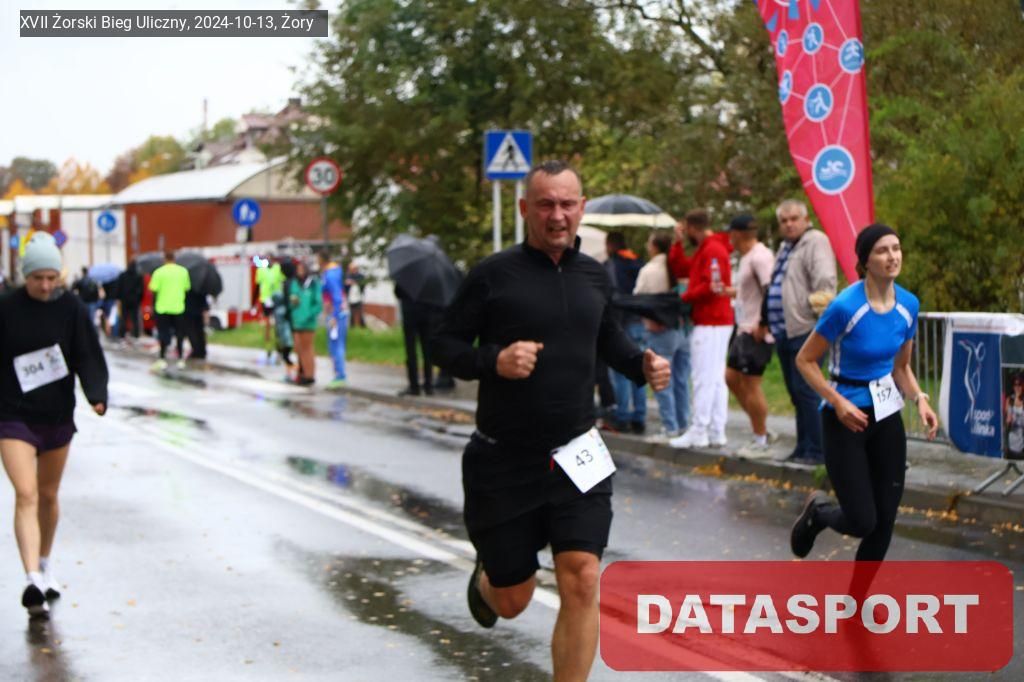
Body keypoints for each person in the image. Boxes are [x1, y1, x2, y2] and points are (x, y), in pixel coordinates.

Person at [432, 161, 670, 682]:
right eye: (545, 204)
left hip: (578, 452)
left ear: (582, 208)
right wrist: (493, 360)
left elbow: (606, 337)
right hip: (503, 460)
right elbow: (443, 344)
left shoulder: (594, 275)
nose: (557, 215)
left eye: (566, 204)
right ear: (525, 209)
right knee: (512, 600)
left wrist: (642, 364)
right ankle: (488, 582)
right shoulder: (493, 275)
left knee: (583, 578)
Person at [790, 224, 939, 564]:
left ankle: (857, 597)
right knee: (862, 521)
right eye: (882, 250)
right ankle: (819, 513)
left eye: (896, 248)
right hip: (845, 417)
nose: (893, 256)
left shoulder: (908, 305)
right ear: (865, 261)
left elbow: (901, 367)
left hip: (885, 414)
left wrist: (920, 399)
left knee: (884, 521)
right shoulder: (845, 307)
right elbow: (805, 360)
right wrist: (837, 401)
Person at [0, 233, 108, 618]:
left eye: (51, 278)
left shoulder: (72, 309)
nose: (45, 286)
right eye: (37, 278)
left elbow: (87, 354)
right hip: (12, 415)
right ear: (24, 276)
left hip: (57, 415)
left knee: (47, 496)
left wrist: (96, 393)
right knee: (26, 493)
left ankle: (44, 565)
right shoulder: (6, 308)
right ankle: (31, 580)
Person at [757, 199, 837, 464]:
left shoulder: (815, 241)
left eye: (794, 219)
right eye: (784, 220)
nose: (789, 224)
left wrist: (815, 319)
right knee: (795, 391)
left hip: (805, 328)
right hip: (784, 330)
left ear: (806, 219)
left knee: (806, 389)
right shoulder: (785, 247)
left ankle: (817, 450)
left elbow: (824, 282)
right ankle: (803, 447)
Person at [670, 210, 734, 449]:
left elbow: (712, 285)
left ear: (692, 227)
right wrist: (677, 244)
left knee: (703, 377)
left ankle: (699, 429)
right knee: (714, 378)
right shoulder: (708, 249)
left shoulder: (712, 250)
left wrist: (685, 297)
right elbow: (682, 269)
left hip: (711, 320)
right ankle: (716, 430)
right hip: (716, 320)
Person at [723, 215, 778, 456]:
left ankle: (761, 441)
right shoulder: (746, 257)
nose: (729, 238)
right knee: (731, 377)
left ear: (737, 234)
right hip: (743, 328)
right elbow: (751, 291)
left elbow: (770, 289)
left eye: (731, 234)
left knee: (751, 384)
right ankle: (761, 428)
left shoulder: (760, 256)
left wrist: (764, 323)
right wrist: (730, 292)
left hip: (757, 331)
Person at [633, 231, 688, 441]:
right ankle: (684, 424)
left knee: (662, 379)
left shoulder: (649, 270)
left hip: (659, 330)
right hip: (683, 329)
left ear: (654, 246)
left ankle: (669, 427)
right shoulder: (677, 266)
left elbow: (638, 297)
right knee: (682, 380)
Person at [604, 231, 647, 434]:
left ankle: (622, 416)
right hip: (640, 321)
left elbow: (609, 294)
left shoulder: (611, 265)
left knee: (620, 373)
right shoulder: (639, 263)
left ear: (610, 245)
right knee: (640, 370)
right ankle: (639, 417)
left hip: (620, 323)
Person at [395, 283, 443, 396]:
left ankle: (414, 386)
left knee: (411, 351)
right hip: (427, 315)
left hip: (410, 314)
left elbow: (397, 292)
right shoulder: (431, 278)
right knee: (427, 352)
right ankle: (428, 385)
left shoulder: (406, 277)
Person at [149, 251, 191, 371]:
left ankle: (162, 358)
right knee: (179, 334)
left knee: (163, 333)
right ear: (174, 258)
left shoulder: (159, 272)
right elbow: (187, 288)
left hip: (162, 307)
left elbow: (153, 288)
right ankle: (180, 359)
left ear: (165, 259)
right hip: (178, 307)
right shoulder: (183, 271)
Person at [289, 259, 322, 387]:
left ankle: (310, 375)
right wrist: (293, 303)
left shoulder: (313, 283)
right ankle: (301, 373)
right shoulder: (295, 283)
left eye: (302, 269)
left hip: (308, 322)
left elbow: (318, 304)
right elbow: (292, 298)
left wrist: (309, 315)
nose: (300, 272)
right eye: (298, 269)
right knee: (298, 348)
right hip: (297, 320)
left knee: (307, 348)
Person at [318, 251, 348, 390]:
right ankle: (338, 374)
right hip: (336, 312)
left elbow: (336, 296)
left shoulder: (330, 275)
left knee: (336, 344)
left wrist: (335, 316)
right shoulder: (333, 272)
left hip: (336, 314)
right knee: (335, 344)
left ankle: (340, 375)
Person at [273, 259, 298, 382]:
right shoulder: (294, 282)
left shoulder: (287, 284)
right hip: (292, 320)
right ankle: (293, 372)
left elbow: (288, 302)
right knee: (289, 350)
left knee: (287, 350)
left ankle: (293, 373)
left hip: (288, 321)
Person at [255, 259, 285, 358]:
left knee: (278, 324)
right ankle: (268, 347)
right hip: (266, 300)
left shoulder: (277, 268)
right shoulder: (261, 270)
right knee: (268, 325)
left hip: (276, 299)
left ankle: (279, 346)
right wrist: (255, 301)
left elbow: (283, 280)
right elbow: (258, 285)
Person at [115, 261, 145, 340]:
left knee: (123, 318)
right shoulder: (138, 276)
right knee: (135, 318)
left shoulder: (122, 275)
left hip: (124, 299)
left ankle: (122, 334)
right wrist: (139, 299)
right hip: (134, 300)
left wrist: (118, 298)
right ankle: (136, 334)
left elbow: (119, 287)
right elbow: (141, 289)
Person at [183, 290, 209, 362]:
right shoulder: (201, 287)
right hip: (199, 311)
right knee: (199, 332)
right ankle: (202, 351)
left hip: (189, 311)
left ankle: (196, 350)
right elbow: (204, 300)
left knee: (192, 332)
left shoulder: (189, 287)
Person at [1006, 373, 1024, 457]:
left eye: (1019, 384)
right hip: (1011, 444)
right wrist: (1008, 421)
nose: (1017, 387)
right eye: (1015, 384)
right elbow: (1006, 423)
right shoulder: (1010, 400)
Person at [345, 262, 367, 329]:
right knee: (352, 313)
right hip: (351, 297)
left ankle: (363, 327)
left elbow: (362, 284)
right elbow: (345, 286)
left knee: (360, 313)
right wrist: (347, 284)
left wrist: (353, 282)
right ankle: (352, 327)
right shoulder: (348, 276)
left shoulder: (360, 276)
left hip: (358, 297)